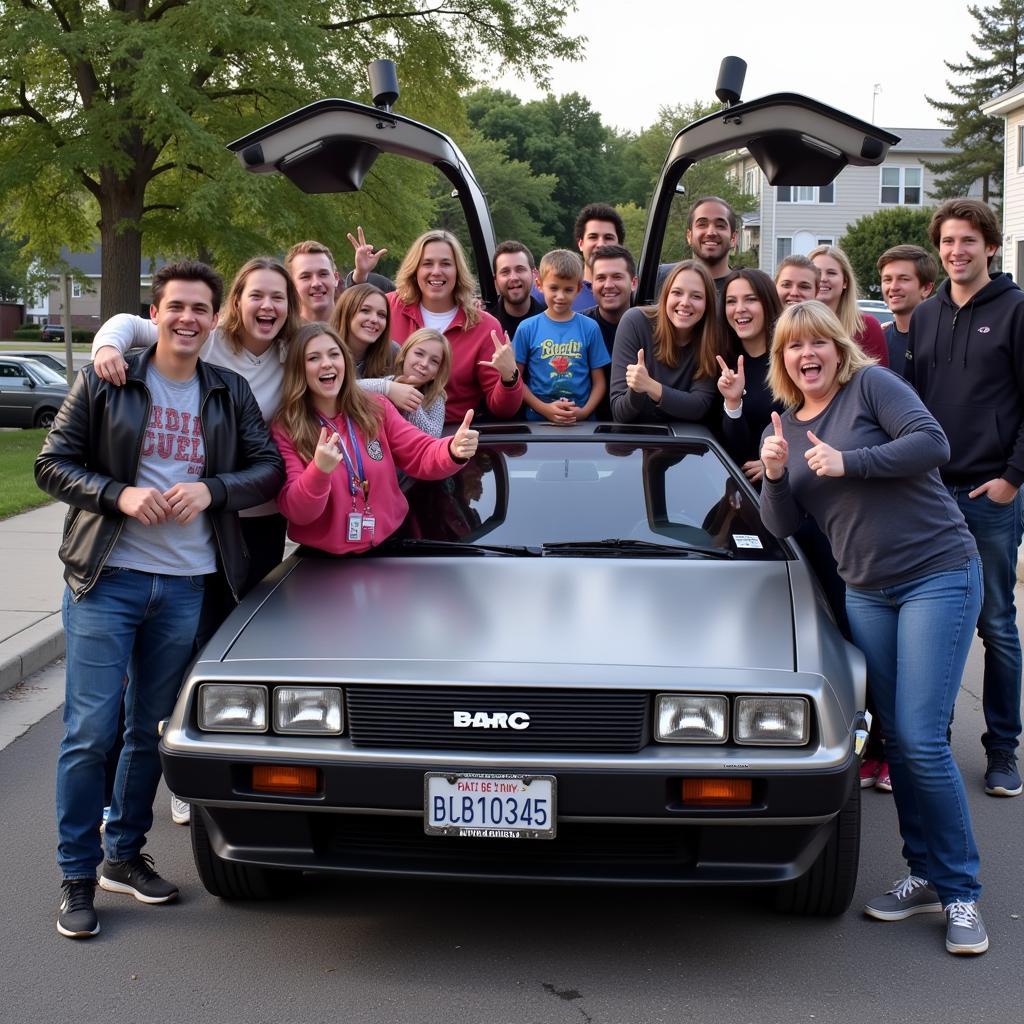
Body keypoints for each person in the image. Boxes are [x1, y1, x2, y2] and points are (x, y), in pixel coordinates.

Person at [36, 260, 285, 940]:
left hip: (183, 587)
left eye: (200, 309)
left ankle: (124, 853)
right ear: (157, 311)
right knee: (91, 733)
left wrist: (213, 489)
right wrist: (119, 495)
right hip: (107, 581)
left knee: (152, 731)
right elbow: (52, 463)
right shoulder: (110, 378)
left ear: (213, 318)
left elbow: (270, 466)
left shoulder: (226, 391)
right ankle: (78, 876)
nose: (187, 319)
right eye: (176, 307)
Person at [758, 300, 987, 956]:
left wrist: (851, 463)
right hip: (867, 591)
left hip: (937, 572)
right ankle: (923, 873)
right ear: (783, 359)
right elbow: (781, 525)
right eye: (794, 347)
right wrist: (776, 474)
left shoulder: (872, 387)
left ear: (837, 347)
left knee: (919, 738)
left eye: (818, 344)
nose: (808, 355)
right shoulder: (787, 426)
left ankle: (961, 890)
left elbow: (932, 444)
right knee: (899, 735)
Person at [905, 198, 1024, 798]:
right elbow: (913, 405)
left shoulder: (1016, 311)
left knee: (996, 624)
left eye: (969, 242)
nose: (957, 251)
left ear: (991, 247)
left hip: (989, 493)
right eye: (949, 242)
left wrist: (1012, 477)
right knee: (935, 622)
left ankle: (1002, 749)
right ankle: (936, 737)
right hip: (932, 494)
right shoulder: (925, 317)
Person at [272, 323, 477, 554]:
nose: (327, 363)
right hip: (322, 562)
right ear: (299, 369)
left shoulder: (376, 407)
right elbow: (297, 511)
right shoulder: (286, 427)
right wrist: (319, 472)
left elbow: (419, 452)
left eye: (334, 354)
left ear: (345, 363)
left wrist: (452, 449)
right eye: (313, 358)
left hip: (389, 546)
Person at [348, 227, 523, 423]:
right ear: (415, 270)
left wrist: (509, 376)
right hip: (381, 431)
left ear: (458, 270)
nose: (436, 272)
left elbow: (504, 410)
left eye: (446, 264)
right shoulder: (387, 307)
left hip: (450, 437)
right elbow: (350, 331)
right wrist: (360, 277)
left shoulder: (484, 327)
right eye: (427, 264)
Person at [610, 259, 721, 423]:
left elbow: (699, 406)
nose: (684, 303)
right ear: (665, 296)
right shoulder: (635, 322)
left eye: (696, 296)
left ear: (707, 304)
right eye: (677, 293)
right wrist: (636, 389)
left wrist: (650, 386)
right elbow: (620, 412)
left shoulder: (711, 336)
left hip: (686, 442)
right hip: (635, 440)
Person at [513, 249, 609, 423]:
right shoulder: (527, 328)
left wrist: (584, 412)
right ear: (539, 285)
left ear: (579, 288)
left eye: (568, 289)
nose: (560, 296)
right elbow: (515, 379)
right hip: (538, 420)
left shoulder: (590, 328)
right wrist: (544, 409)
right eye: (554, 288)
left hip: (582, 423)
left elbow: (600, 382)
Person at [715, 269, 783, 483]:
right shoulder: (721, 362)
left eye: (751, 299)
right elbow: (737, 450)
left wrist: (782, 463)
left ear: (768, 303)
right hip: (738, 489)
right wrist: (733, 403)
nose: (740, 309)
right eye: (731, 301)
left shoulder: (790, 359)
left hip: (788, 485)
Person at [809, 244, 888, 366]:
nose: (823, 278)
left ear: (845, 281)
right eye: (817, 272)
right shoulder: (793, 327)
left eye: (831, 273)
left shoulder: (866, 327)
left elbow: (880, 381)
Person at [582, 244, 637, 420]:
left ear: (633, 282)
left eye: (617, 277)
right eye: (601, 278)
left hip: (641, 431)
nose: (608, 285)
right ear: (592, 284)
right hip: (587, 431)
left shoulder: (651, 326)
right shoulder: (577, 326)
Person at [657, 197, 738, 297]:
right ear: (689, 236)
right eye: (702, 225)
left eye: (720, 226)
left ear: (733, 238)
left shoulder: (745, 290)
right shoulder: (661, 277)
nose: (711, 232)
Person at [877, 244, 938, 377]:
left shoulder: (943, 339)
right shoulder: (880, 340)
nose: (893, 287)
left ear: (927, 288)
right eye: (887, 279)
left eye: (904, 279)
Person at [385, 328, 452, 437]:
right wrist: (389, 388)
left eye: (434, 361)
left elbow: (433, 436)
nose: (424, 363)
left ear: (437, 372)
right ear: (404, 355)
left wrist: (410, 398)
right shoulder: (388, 380)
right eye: (419, 354)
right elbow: (356, 387)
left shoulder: (435, 397)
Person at [568, 203, 626, 311]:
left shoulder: (636, 294)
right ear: (580, 244)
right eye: (593, 237)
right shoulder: (558, 294)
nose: (601, 244)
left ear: (620, 245)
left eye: (608, 237)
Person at [486, 240, 544, 339]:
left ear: (534, 274)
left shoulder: (551, 321)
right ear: (495, 281)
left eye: (520, 269)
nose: (513, 277)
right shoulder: (484, 325)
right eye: (505, 272)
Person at [285, 240, 341, 322]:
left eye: (323, 274)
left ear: (336, 278)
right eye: (305, 276)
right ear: (291, 284)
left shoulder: (357, 331)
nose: (316, 283)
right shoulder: (281, 333)